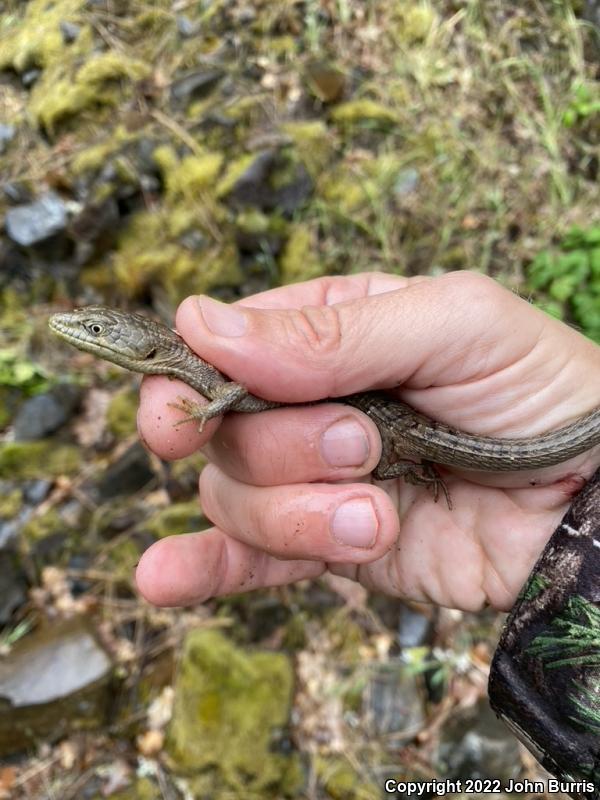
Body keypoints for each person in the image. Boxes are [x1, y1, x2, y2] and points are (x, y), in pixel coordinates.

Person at [134, 270, 600, 612]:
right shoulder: (185, 363)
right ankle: (413, 469)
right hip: (405, 435)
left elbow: (232, 390)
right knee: (376, 458)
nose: (85, 337)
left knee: (380, 454)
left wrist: (208, 411)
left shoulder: (200, 361)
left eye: (94, 332)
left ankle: (412, 468)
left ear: (149, 350)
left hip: (399, 425)